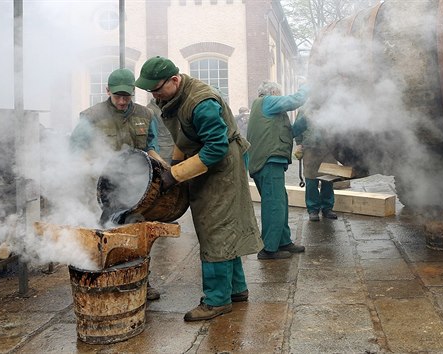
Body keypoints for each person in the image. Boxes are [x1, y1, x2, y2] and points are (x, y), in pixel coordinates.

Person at [134, 56, 263, 321]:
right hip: (205, 160)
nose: (155, 95)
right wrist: (175, 164)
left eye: (157, 89)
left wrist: (176, 175)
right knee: (226, 227)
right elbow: (186, 135)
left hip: (221, 166)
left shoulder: (201, 103)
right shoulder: (173, 97)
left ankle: (217, 300)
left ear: (174, 80)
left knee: (214, 227)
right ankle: (236, 289)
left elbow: (216, 147)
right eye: (150, 91)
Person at [69, 68, 165, 301]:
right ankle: (102, 280)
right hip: (102, 189)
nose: (122, 101)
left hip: (135, 186)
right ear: (107, 91)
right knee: (104, 234)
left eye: (127, 96)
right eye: (118, 96)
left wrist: (164, 166)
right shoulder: (91, 116)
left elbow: (151, 145)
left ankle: (141, 280)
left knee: (136, 233)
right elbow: (75, 151)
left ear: (133, 92)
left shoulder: (145, 114)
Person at [247, 81, 308, 260]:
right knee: (274, 205)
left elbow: (288, 133)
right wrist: (309, 87)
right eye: (278, 93)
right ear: (272, 92)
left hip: (270, 161)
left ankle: (283, 241)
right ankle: (269, 248)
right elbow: (296, 100)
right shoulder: (266, 101)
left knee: (279, 203)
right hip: (269, 162)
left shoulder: (269, 111)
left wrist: (307, 119)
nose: (280, 96)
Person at [292, 108, 338, 222]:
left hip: (328, 148)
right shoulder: (305, 109)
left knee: (328, 179)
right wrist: (298, 144)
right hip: (310, 148)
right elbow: (297, 127)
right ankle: (313, 209)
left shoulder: (331, 106)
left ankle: (327, 208)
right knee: (311, 180)